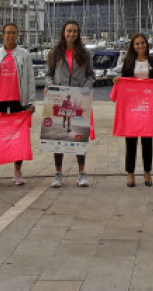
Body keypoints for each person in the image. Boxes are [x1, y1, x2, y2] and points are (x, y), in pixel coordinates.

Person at [0, 23, 36, 187]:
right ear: (2, 35)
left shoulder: (24, 54)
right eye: (8, 33)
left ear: (17, 35)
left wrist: (31, 102)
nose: (11, 36)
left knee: (18, 138)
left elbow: (29, 79)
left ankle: (17, 172)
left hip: (18, 101)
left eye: (14, 33)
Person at [45, 20, 95, 188]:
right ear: (63, 32)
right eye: (68, 31)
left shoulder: (85, 53)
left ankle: (81, 173)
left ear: (78, 33)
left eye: (74, 31)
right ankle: (58, 173)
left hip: (78, 98)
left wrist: (86, 87)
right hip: (60, 99)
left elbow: (91, 75)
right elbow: (48, 74)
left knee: (78, 136)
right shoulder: (55, 53)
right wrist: (50, 86)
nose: (71, 34)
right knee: (58, 136)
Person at [116, 33, 153, 187]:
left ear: (147, 44)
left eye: (142, 43)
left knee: (147, 139)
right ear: (133, 46)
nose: (140, 46)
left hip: (148, 106)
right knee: (130, 140)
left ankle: (147, 172)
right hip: (131, 106)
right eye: (137, 44)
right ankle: (130, 174)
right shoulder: (128, 62)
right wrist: (117, 81)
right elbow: (123, 81)